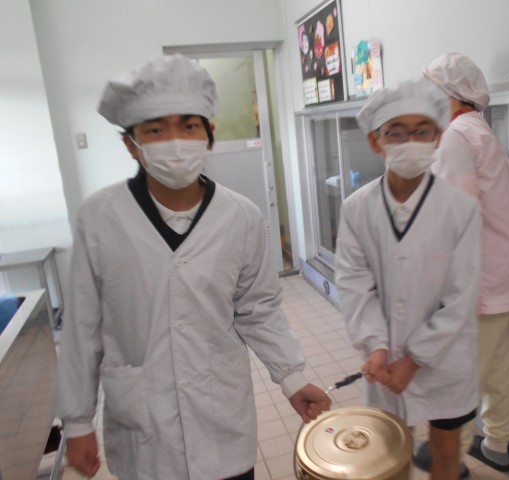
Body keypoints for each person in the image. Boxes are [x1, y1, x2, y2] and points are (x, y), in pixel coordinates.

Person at [54, 54, 331, 480]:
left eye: (188, 126)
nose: (175, 141)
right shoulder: (100, 217)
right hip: (143, 427)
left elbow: (258, 309)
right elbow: (82, 327)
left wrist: (291, 379)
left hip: (221, 417)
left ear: (209, 135)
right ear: (131, 144)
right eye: (155, 129)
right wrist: (76, 422)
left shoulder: (241, 216)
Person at [335, 77, 482, 480]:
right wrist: (377, 345)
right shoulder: (356, 208)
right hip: (383, 359)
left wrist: (415, 357)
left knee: (445, 454)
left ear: (438, 137)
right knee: (389, 452)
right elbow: (353, 282)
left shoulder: (460, 208)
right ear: (375, 140)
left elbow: (462, 295)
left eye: (422, 131)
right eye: (396, 132)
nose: (410, 142)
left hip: (446, 355)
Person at [413, 52, 509, 476]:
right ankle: (497, 445)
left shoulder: (456, 135)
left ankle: (449, 457)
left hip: (489, 277)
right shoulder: (476, 128)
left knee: (462, 372)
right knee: (499, 365)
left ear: (450, 94)